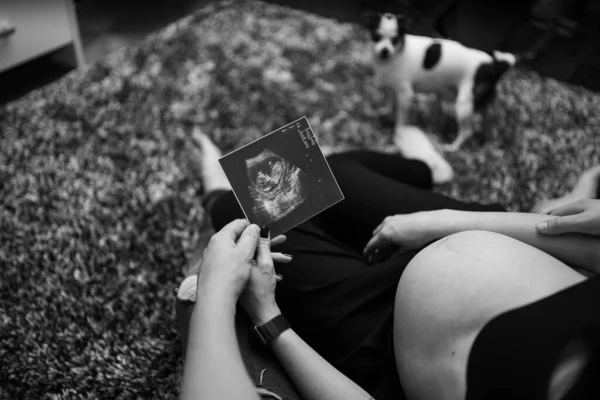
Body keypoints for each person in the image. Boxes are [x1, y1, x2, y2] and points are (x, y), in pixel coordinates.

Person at [181, 131, 600, 400]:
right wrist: (437, 222)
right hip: (482, 239)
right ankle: (430, 169)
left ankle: (215, 196)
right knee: (325, 171)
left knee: (246, 207)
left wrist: (268, 317)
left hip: (387, 345)